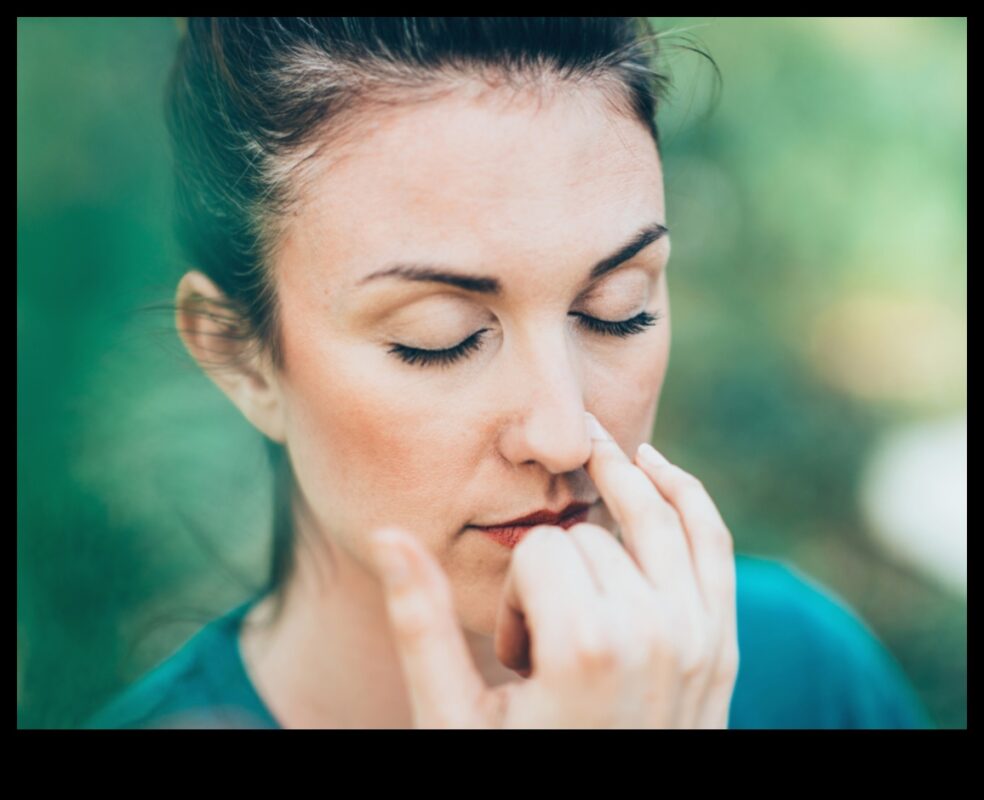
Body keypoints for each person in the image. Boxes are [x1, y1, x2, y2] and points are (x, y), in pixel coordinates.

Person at [82, 17, 934, 729]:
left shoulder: (804, 676)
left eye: (617, 308)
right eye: (439, 337)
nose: (563, 432)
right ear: (242, 356)